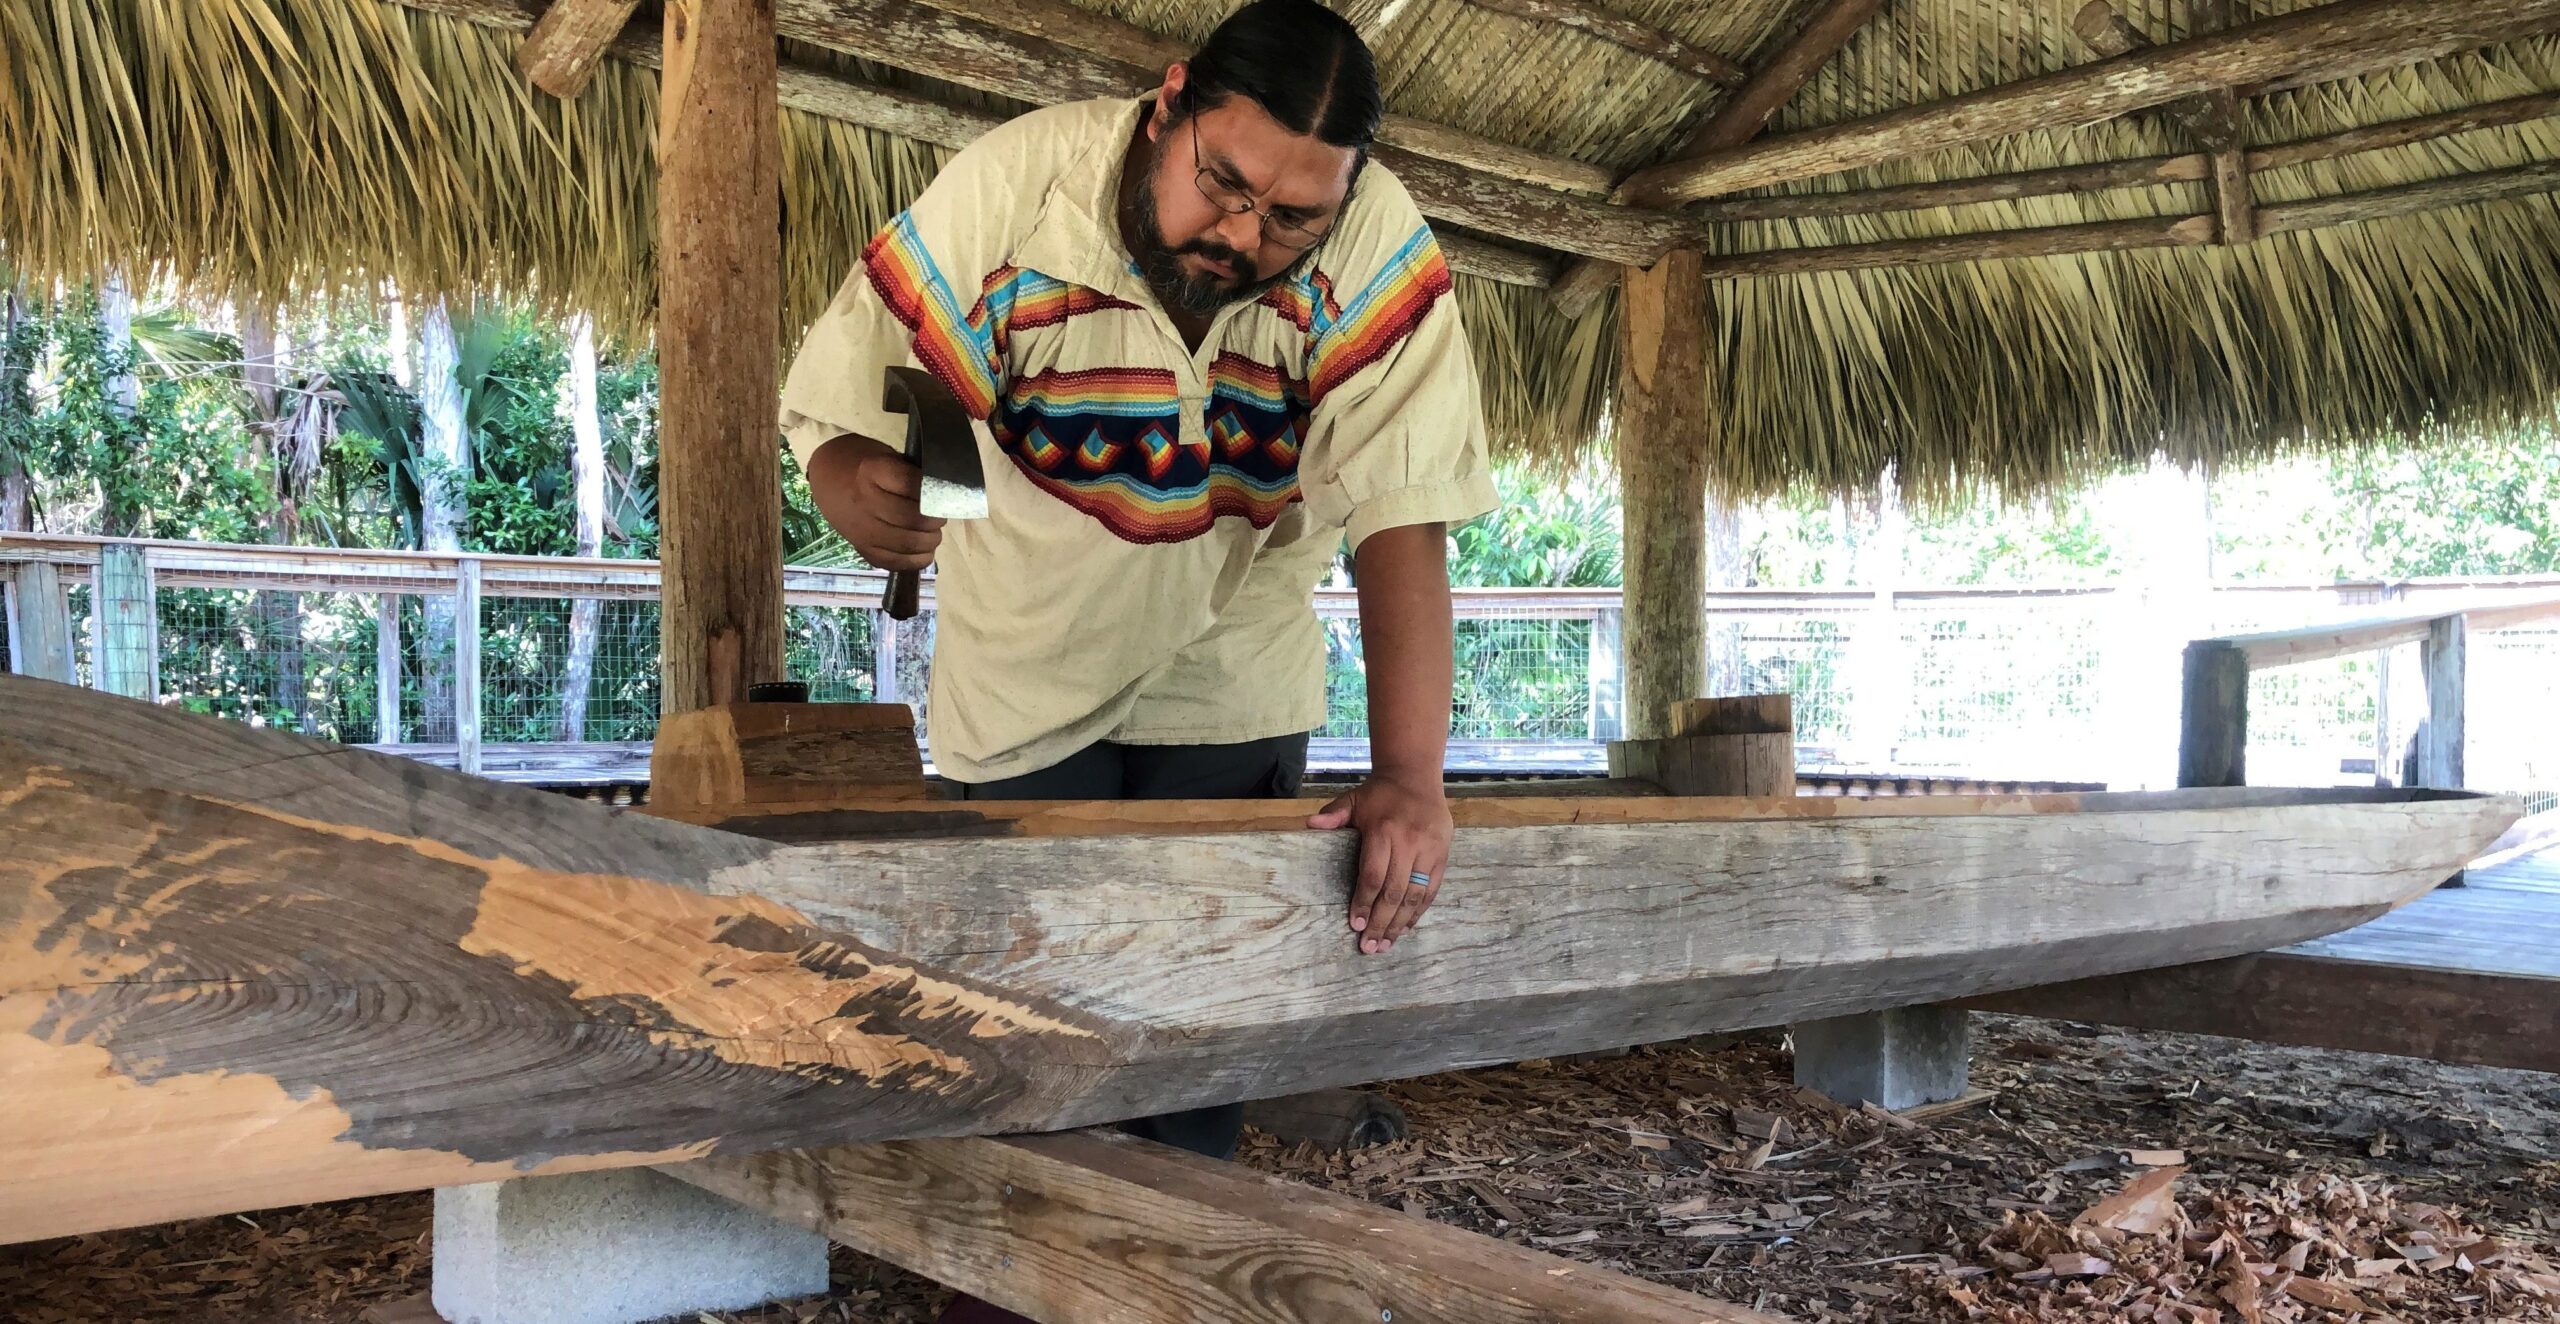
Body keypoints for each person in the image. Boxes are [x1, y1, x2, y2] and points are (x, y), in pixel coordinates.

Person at [781, 7, 1493, 1306]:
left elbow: (1404, 511)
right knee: (1025, 1043)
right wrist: (847, 479)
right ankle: (1016, 1282)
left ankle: (1156, 1290)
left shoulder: (1380, 247)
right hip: (1023, 659)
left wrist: (1410, 774)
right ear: (1166, 107)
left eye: (1293, 219)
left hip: (1233, 656)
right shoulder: (1014, 187)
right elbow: (867, 388)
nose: (1245, 234)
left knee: (1190, 1046)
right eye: (1223, 183)